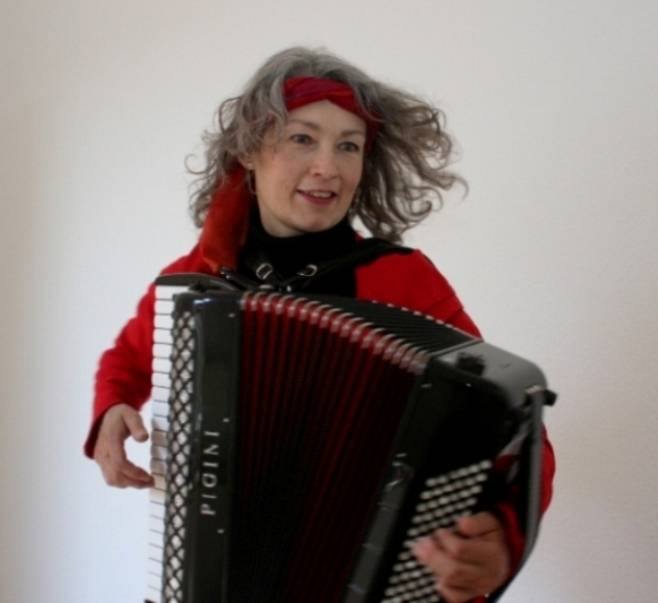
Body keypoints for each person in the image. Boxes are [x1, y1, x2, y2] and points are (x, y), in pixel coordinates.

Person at [85, 46, 555, 603]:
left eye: (348, 146)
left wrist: (504, 532)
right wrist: (112, 410)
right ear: (250, 150)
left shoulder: (403, 280)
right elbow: (129, 357)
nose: (328, 168)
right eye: (302, 139)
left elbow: (506, 421)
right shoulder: (195, 282)